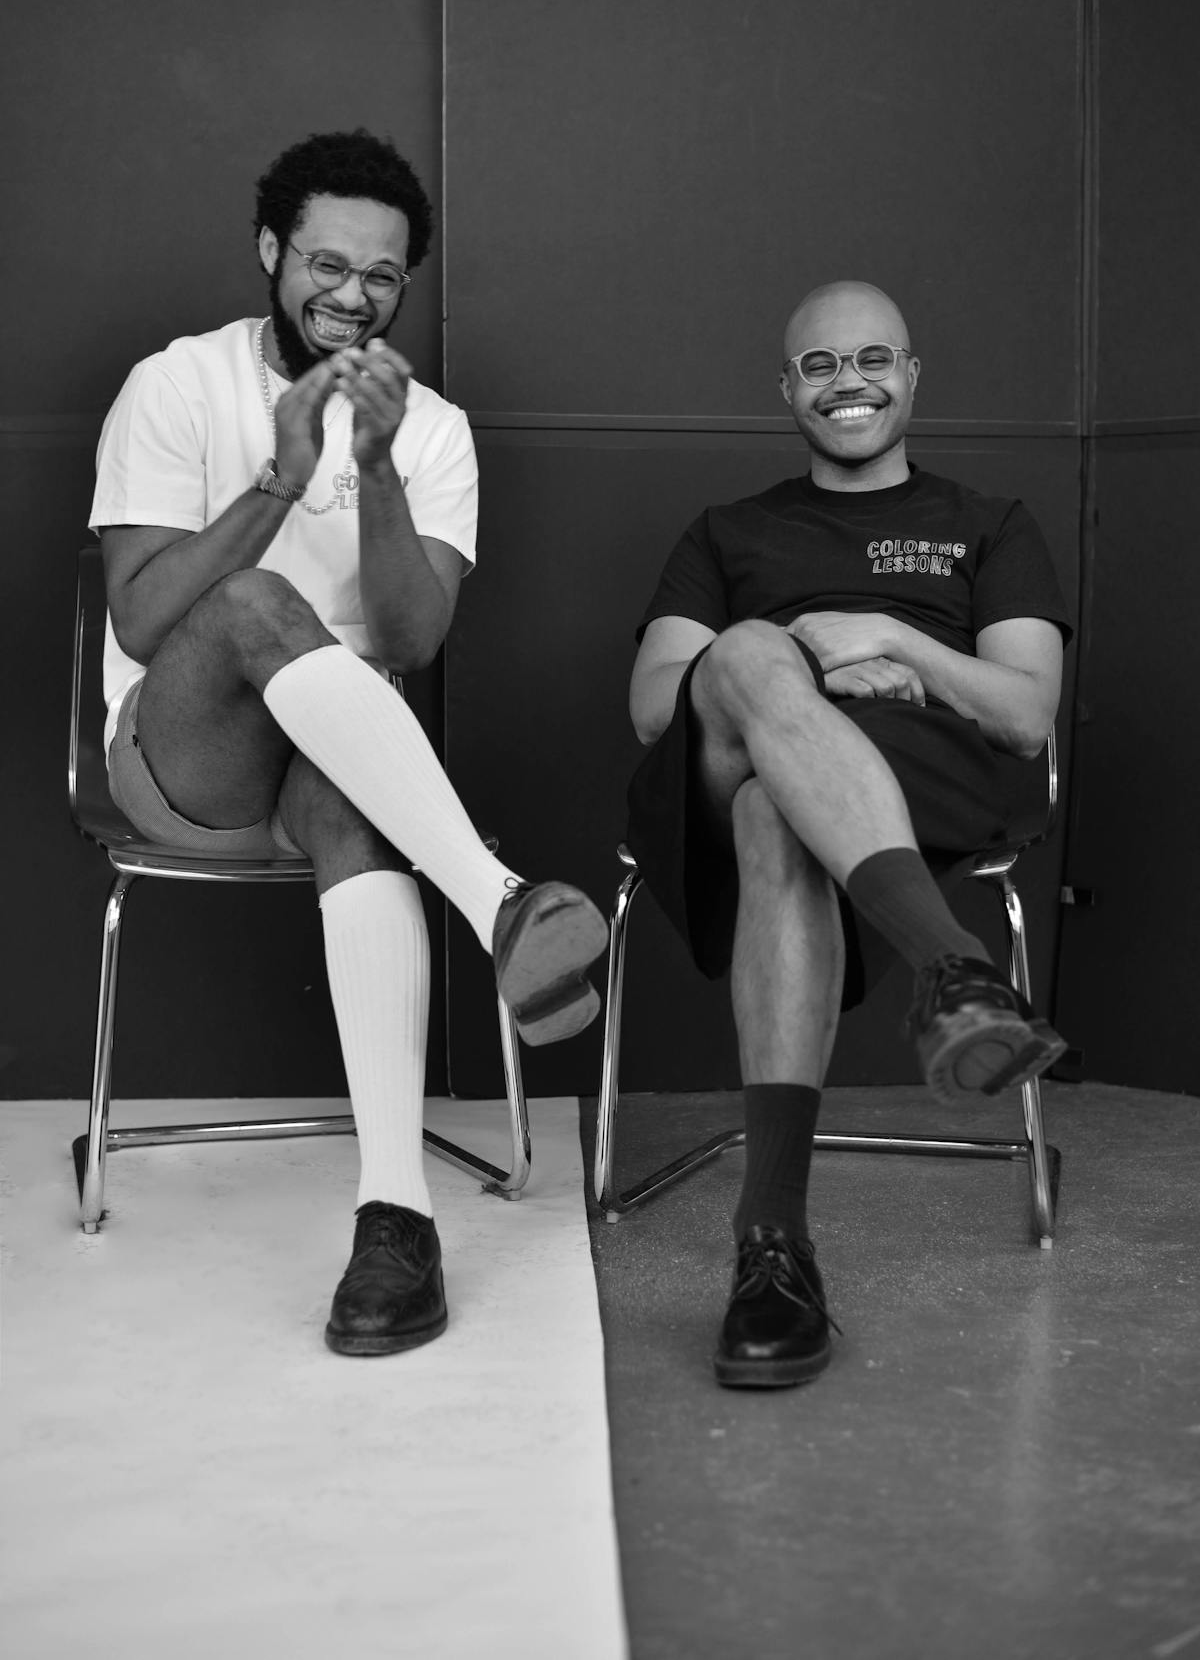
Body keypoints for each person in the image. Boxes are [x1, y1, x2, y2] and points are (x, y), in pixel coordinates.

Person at [89, 128, 607, 1358]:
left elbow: (412, 641)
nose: (353, 296)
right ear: (272, 251)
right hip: (183, 760)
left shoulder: (431, 430)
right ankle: (498, 905)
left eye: (382, 275)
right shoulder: (177, 384)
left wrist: (373, 469)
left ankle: (396, 1224)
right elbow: (141, 619)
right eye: (328, 263)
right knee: (256, 602)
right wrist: (281, 478)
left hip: (343, 768)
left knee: (350, 792)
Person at [627, 280, 1071, 1390]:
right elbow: (653, 703)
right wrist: (806, 670)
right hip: (723, 753)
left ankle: (771, 1242)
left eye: (874, 358)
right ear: (786, 389)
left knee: (773, 806)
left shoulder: (989, 523)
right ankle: (952, 970)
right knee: (742, 655)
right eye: (820, 365)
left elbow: (1024, 714)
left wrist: (893, 639)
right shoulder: (729, 530)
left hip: (925, 780)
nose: (849, 382)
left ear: (912, 375)